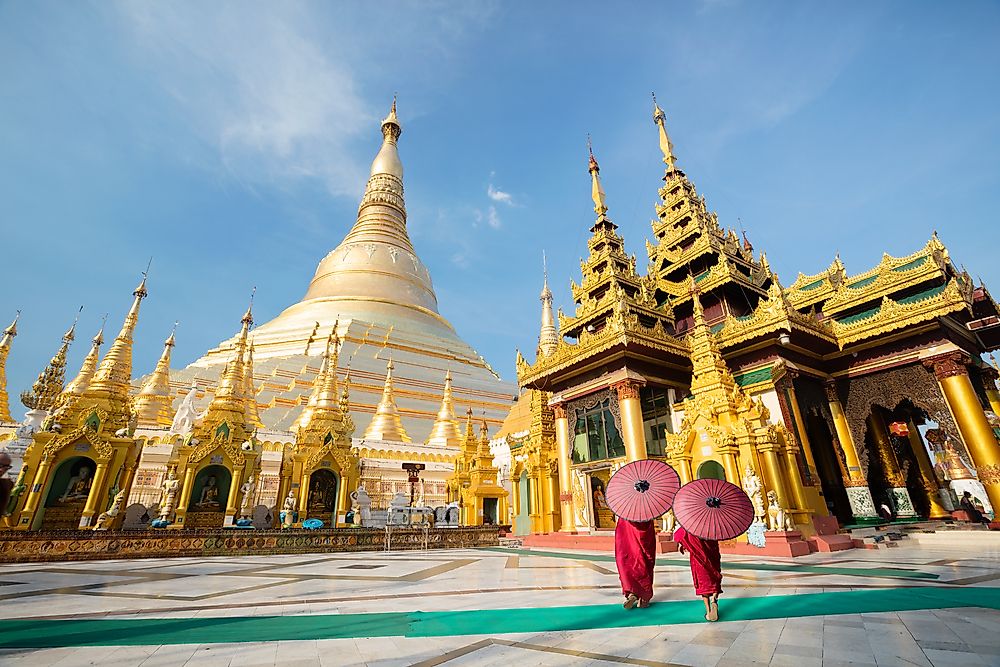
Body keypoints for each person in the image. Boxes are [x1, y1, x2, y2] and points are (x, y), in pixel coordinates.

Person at [673, 525, 723, 622]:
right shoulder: (714, 523)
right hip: (713, 554)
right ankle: (714, 600)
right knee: (715, 577)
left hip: (698, 559)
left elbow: (679, 535)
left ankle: (708, 611)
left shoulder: (693, 523)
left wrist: (682, 545)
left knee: (703, 584)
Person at [614, 518, 657, 609]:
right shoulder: (648, 512)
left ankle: (631, 592)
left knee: (626, 562)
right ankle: (644, 597)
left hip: (626, 525)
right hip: (644, 521)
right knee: (645, 561)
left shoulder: (624, 512)